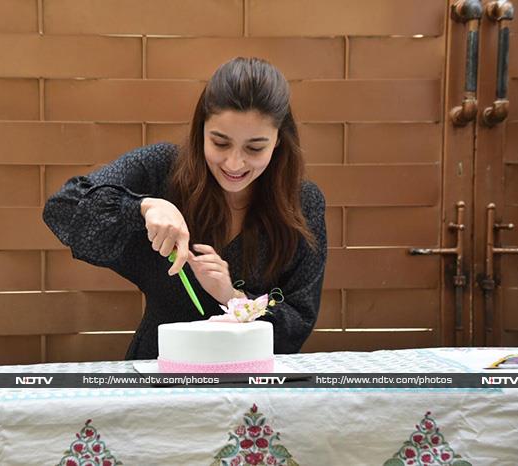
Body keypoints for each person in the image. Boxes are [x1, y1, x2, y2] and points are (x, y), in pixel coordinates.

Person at [43, 57, 327, 360]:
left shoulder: (302, 203)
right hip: (159, 372)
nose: (234, 163)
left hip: (249, 382)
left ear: (278, 142)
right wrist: (142, 206)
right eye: (219, 143)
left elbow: (298, 322)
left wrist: (234, 298)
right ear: (201, 129)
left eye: (255, 148)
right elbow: (63, 209)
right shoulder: (161, 169)